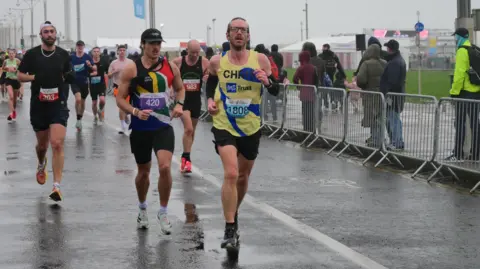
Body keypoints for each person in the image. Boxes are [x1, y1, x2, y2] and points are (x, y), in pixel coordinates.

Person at [206, 17, 280, 250]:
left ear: (248, 36)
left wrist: (267, 81)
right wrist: (209, 99)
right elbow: (211, 82)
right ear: (227, 35)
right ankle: (229, 228)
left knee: (242, 177)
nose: (239, 33)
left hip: (251, 126)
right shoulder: (217, 61)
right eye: (235, 30)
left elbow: (276, 89)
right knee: (230, 172)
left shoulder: (259, 59)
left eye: (243, 30)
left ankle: (233, 213)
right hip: (224, 123)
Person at [115, 28, 185, 234]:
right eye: (152, 43)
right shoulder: (131, 69)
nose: (156, 47)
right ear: (143, 44)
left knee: (165, 167)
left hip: (163, 126)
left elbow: (180, 88)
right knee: (143, 173)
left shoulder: (170, 67)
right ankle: (142, 208)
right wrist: (135, 111)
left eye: (159, 44)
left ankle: (163, 212)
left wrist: (179, 104)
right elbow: (119, 98)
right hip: (141, 128)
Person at [17, 21, 74, 202]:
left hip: (59, 103)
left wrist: (73, 78)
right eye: (46, 32)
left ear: (56, 34)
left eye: (52, 31)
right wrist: (35, 77)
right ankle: (41, 163)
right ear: (41, 35)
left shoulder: (63, 55)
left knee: (57, 143)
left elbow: (68, 74)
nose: (49, 34)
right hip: (39, 104)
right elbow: (19, 75)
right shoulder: (32, 54)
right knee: (42, 146)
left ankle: (56, 187)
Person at [172, 40, 210, 173]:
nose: (195, 55)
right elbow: (169, 76)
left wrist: (207, 76)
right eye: (192, 52)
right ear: (187, 50)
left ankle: (186, 154)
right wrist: (172, 89)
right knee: (188, 129)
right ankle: (186, 158)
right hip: (183, 100)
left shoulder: (204, 62)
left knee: (191, 131)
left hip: (195, 100)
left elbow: (212, 74)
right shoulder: (178, 62)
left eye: (197, 52)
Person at [446, 28, 480, 161]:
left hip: (464, 93)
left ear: (459, 37)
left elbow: (459, 75)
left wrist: (453, 93)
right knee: (474, 124)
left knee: (460, 123)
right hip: (476, 92)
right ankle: (476, 154)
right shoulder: (473, 49)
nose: (455, 39)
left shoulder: (462, 51)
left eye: (455, 37)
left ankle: (458, 154)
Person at [357, 43, 387, 148]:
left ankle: (374, 138)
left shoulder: (366, 64)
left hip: (369, 94)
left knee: (372, 117)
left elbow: (361, 80)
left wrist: (363, 86)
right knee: (380, 117)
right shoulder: (384, 63)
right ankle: (381, 138)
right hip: (382, 94)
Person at [380, 39, 406, 151]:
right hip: (397, 95)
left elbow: (392, 82)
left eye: (387, 48)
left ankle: (397, 142)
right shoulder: (398, 60)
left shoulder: (394, 62)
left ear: (390, 49)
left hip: (393, 96)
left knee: (393, 119)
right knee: (394, 119)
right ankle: (397, 141)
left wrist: (387, 94)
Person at [71, 40, 96, 131]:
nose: (80, 48)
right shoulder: (72, 57)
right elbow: (65, 67)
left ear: (83, 47)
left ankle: (79, 119)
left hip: (84, 82)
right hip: (74, 82)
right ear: (76, 47)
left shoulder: (87, 57)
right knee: (77, 100)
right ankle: (78, 119)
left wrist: (90, 65)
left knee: (82, 101)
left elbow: (94, 68)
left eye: (81, 46)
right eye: (78, 46)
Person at [109, 45, 134, 134]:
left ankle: (126, 116)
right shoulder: (113, 63)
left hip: (128, 86)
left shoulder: (130, 62)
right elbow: (108, 76)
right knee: (121, 106)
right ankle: (123, 126)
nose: (122, 52)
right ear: (118, 52)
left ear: (126, 52)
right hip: (117, 86)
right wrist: (114, 71)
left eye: (124, 50)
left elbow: (135, 74)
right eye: (120, 50)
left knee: (126, 106)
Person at [293, 50, 319, 133]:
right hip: (312, 93)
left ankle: (306, 129)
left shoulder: (300, 68)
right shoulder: (314, 68)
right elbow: (316, 81)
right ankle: (312, 129)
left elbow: (294, 79)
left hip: (304, 93)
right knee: (311, 112)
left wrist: (299, 87)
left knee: (305, 112)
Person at [89, 47, 108, 124]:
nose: (96, 53)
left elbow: (107, 72)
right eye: (95, 51)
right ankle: (95, 117)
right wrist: (91, 74)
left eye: (97, 51)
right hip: (93, 85)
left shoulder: (104, 61)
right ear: (92, 53)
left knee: (102, 100)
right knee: (94, 103)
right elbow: (86, 73)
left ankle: (100, 111)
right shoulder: (89, 62)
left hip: (101, 84)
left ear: (100, 53)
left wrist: (107, 76)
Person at [2, 48, 21, 122]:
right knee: (11, 96)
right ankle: (11, 112)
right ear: (8, 54)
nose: (11, 55)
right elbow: (3, 69)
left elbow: (22, 69)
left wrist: (16, 70)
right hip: (8, 79)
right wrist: (7, 69)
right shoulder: (6, 61)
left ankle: (13, 112)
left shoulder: (17, 61)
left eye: (12, 53)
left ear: (15, 54)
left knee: (15, 101)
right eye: (10, 53)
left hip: (16, 80)